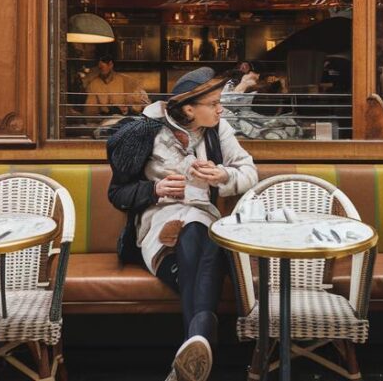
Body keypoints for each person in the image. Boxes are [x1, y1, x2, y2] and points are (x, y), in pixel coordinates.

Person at [106, 67, 258, 381]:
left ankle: (189, 352)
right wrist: (153, 189)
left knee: (196, 228)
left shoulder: (219, 130)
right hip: (157, 225)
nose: (221, 108)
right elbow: (117, 192)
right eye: (214, 103)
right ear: (189, 109)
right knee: (206, 257)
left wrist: (223, 176)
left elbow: (249, 173)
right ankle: (199, 336)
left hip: (202, 219)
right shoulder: (146, 132)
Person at [84, 54, 149, 115]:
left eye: (102, 68)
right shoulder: (93, 84)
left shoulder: (126, 80)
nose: (99, 71)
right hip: (103, 121)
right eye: (98, 68)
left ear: (110, 64)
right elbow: (90, 110)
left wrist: (129, 107)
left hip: (124, 119)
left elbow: (142, 102)